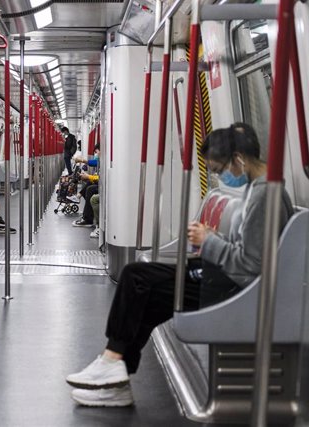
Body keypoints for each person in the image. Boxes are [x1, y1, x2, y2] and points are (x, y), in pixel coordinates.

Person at [65, 124, 294, 407]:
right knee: (140, 283)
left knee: (138, 279)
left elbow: (250, 267)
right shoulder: (257, 190)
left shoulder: (265, 197)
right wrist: (213, 240)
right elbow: (247, 249)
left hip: (230, 290)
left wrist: (210, 241)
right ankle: (115, 370)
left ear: (238, 159)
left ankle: (114, 363)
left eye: (219, 168)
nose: (219, 176)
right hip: (220, 277)